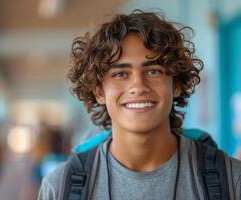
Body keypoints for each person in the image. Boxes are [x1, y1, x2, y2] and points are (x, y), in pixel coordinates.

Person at [38, 10, 241, 199]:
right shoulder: (59, 188)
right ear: (98, 91)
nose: (138, 86)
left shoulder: (231, 180)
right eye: (120, 74)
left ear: (176, 84)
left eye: (154, 71)